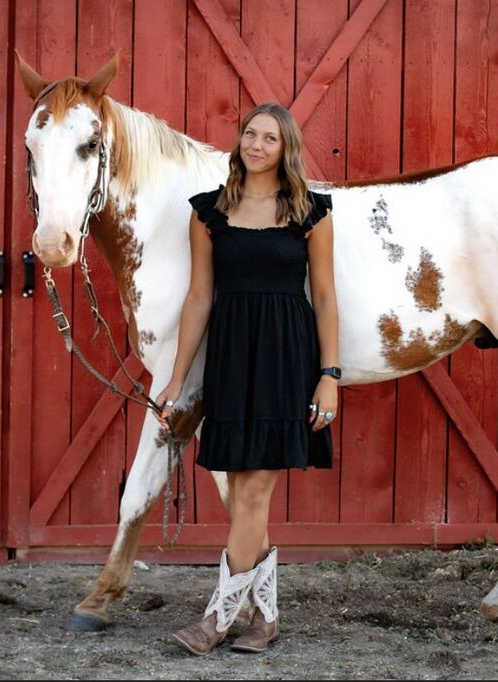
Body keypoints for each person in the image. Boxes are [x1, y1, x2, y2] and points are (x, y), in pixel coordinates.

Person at [153, 102, 340, 656]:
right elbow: (199, 298)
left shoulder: (311, 211)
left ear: (287, 150)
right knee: (239, 489)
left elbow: (326, 297)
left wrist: (329, 375)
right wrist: (176, 379)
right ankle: (267, 618)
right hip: (233, 356)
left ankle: (218, 617)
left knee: (254, 487)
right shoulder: (208, 211)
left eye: (270, 138)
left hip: (287, 356)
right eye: (249, 134)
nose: (256, 145)